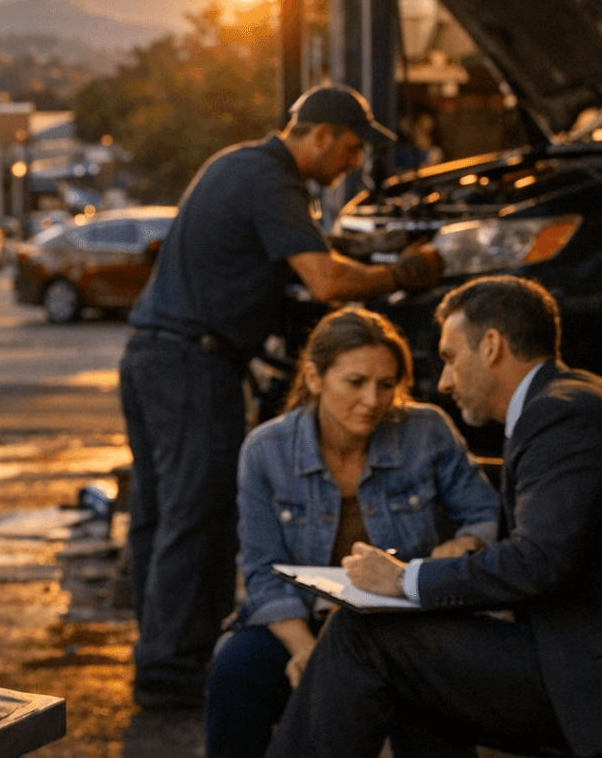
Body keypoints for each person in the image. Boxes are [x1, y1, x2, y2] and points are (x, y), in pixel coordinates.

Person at [122, 83, 444, 709]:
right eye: (350, 148)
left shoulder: (233, 162)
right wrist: (410, 272)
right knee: (197, 514)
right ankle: (172, 673)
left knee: (159, 514)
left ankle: (160, 657)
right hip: (193, 364)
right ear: (319, 134)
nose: (352, 163)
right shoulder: (273, 181)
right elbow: (324, 280)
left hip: (149, 355)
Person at [267, 276, 602, 757]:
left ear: (492, 346)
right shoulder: (583, 399)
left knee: (363, 633)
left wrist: (405, 579)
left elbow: (537, 562)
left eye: (448, 357)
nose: (442, 382)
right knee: (413, 666)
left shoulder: (559, 417)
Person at [204, 308, 497, 758]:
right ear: (314, 378)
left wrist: (466, 543)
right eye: (355, 382)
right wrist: (309, 652)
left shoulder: (427, 431)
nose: (372, 401)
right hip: (299, 622)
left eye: (386, 385)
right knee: (235, 667)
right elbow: (262, 572)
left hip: (402, 622)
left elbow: (485, 512)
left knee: (428, 701)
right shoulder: (266, 452)